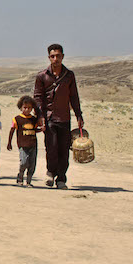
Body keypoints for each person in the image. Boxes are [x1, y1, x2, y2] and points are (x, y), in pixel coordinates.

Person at [34, 44, 83, 190]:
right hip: (49, 118)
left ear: (63, 56)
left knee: (63, 149)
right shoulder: (42, 76)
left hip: (64, 118)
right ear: (49, 57)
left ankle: (61, 178)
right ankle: (51, 172)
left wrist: (79, 115)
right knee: (51, 147)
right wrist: (40, 116)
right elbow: (37, 97)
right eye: (53, 56)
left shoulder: (69, 75)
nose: (56, 59)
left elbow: (74, 96)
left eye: (58, 56)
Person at [7, 96, 41, 187]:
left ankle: (29, 181)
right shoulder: (17, 119)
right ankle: (20, 177)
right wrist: (9, 143)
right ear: (21, 107)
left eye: (29, 108)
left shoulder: (34, 119)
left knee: (32, 164)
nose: (27, 109)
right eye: (25, 107)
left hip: (33, 144)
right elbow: (12, 130)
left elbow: (34, 130)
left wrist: (41, 129)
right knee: (24, 162)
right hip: (23, 144)